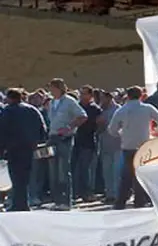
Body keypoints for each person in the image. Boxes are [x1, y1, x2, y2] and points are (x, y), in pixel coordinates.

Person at [108, 86, 158, 209]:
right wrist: (155, 132)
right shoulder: (148, 108)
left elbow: (112, 129)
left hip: (128, 146)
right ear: (141, 96)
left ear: (128, 96)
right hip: (144, 146)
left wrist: (121, 134)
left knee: (126, 175)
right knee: (141, 174)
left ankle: (120, 202)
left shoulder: (122, 110)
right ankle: (140, 201)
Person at [0, 88, 47, 211]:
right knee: (26, 176)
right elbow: (43, 128)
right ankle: (24, 202)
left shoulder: (8, 111)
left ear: (9, 98)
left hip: (13, 148)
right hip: (29, 148)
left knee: (16, 177)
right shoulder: (32, 110)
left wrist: (2, 148)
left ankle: (18, 203)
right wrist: (37, 142)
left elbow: (2, 130)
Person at [47, 78, 87, 210]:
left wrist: (69, 127)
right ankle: (57, 200)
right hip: (53, 137)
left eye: (53, 88)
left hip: (64, 138)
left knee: (63, 170)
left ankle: (66, 201)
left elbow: (82, 116)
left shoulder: (69, 101)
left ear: (59, 88)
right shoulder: (52, 102)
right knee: (53, 171)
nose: (51, 90)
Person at [74, 85, 101, 202]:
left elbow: (99, 125)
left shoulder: (95, 109)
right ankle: (75, 193)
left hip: (88, 142)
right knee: (75, 169)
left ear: (90, 95)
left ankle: (87, 193)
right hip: (75, 141)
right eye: (81, 93)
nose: (82, 96)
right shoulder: (76, 107)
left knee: (86, 169)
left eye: (85, 93)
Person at [96, 91, 121, 204]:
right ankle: (109, 194)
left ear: (109, 98)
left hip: (117, 145)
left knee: (116, 172)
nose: (101, 101)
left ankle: (117, 195)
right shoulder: (101, 111)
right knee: (107, 171)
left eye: (103, 98)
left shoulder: (118, 110)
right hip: (105, 145)